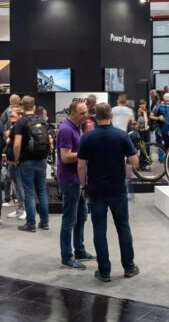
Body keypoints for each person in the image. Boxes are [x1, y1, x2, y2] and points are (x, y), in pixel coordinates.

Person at [78, 103, 139, 282]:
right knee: (123, 227)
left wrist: (83, 186)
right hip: (117, 189)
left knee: (99, 230)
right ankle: (129, 267)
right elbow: (134, 161)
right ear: (111, 116)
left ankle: (104, 272)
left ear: (95, 117)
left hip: (96, 189)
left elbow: (81, 166)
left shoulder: (87, 137)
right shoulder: (121, 135)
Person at [57, 101, 95, 269]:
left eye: (86, 112)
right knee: (69, 219)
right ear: (72, 113)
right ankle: (66, 257)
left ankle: (79, 250)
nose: (86, 116)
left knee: (81, 217)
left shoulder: (77, 127)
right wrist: (85, 153)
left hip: (78, 179)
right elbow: (65, 157)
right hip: (69, 180)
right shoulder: (66, 130)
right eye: (82, 113)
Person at [13, 95, 51, 232]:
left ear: (22, 107)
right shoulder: (42, 120)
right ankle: (44, 222)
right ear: (34, 106)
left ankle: (31, 224)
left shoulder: (21, 122)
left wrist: (16, 159)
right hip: (41, 160)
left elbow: (17, 144)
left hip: (27, 161)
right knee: (42, 191)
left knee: (29, 193)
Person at [5, 107, 26, 220]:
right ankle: (20, 208)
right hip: (11, 162)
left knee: (21, 186)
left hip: (18, 162)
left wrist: (17, 159)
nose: (10, 116)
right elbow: (7, 139)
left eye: (12, 114)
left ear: (20, 115)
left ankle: (26, 209)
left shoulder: (21, 127)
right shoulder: (14, 127)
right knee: (16, 187)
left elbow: (18, 145)